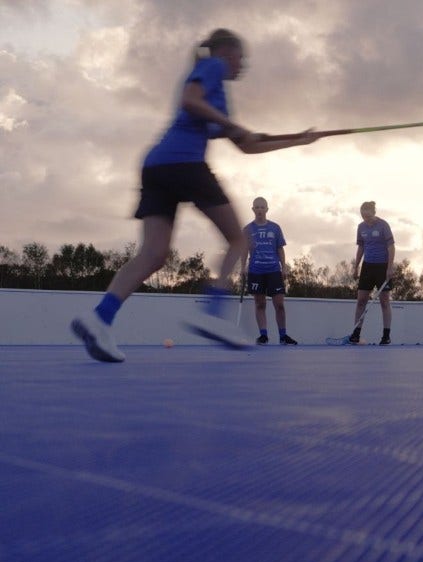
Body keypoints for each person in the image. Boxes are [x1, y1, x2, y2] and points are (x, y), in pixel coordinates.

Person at [70, 28, 317, 362]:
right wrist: (232, 125)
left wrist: (299, 140)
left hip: (157, 165)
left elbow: (246, 145)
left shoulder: (219, 95)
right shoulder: (213, 67)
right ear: (227, 52)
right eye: (242, 57)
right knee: (239, 240)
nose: (243, 65)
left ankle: (99, 317)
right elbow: (190, 100)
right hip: (183, 161)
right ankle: (212, 313)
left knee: (154, 254)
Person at [243, 197, 297, 345]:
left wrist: (284, 267)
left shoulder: (275, 228)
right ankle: (263, 335)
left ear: (267, 209)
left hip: (273, 270)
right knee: (260, 304)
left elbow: (280, 248)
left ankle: (283, 336)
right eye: (257, 207)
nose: (260, 210)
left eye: (262, 207)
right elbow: (243, 250)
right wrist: (243, 268)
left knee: (279, 305)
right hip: (256, 271)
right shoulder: (247, 229)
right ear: (253, 209)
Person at [347, 201, 395, 345]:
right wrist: (356, 267)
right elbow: (361, 247)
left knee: (384, 301)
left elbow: (391, 247)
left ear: (373, 213)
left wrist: (390, 267)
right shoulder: (361, 227)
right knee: (361, 300)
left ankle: (386, 336)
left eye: (367, 216)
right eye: (363, 216)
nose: (365, 219)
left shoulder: (383, 225)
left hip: (382, 266)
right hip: (367, 267)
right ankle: (356, 334)